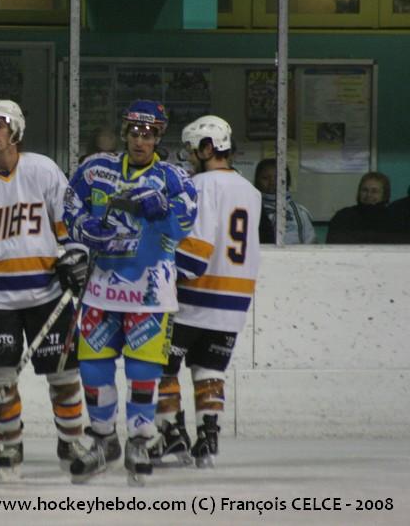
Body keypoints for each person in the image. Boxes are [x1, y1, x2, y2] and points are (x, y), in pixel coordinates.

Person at [62, 99, 197, 485]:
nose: (141, 140)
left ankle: (139, 441)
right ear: (125, 132)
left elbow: (186, 222)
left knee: (142, 371)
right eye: (135, 132)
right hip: (101, 289)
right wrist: (83, 229)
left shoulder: (174, 178)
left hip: (150, 293)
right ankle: (103, 440)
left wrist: (163, 210)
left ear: (159, 136)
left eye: (149, 133)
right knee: (93, 368)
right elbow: (69, 205)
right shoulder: (96, 168)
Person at [0, 99, 88, 476]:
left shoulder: (43, 170)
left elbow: (67, 222)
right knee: (0, 380)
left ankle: (71, 439)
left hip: (47, 293)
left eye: (0, 125)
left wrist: (76, 256)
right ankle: (11, 444)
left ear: (16, 130)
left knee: (63, 375)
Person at [154, 115, 261, 468]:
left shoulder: (199, 186)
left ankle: (171, 436)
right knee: (209, 369)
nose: (188, 157)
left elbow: (195, 250)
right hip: (233, 302)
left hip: (193, 297)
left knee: (159, 366)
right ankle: (208, 439)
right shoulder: (251, 191)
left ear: (207, 147)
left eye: (191, 150)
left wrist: (162, 276)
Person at [327, 172, 401, 243]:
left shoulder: (393, 220)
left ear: (384, 195)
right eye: (365, 190)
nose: (369, 195)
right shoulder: (344, 216)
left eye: (374, 191)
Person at [255, 158, 316, 244]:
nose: (272, 182)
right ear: (257, 181)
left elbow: (311, 243)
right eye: (265, 178)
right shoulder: (252, 210)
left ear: (287, 180)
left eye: (277, 177)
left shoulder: (300, 212)